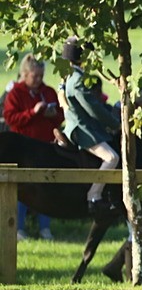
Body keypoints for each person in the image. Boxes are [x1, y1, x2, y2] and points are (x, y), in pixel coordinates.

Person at [3, 54, 65, 238]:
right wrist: (33, 112)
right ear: (25, 74)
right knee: (22, 190)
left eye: (41, 75)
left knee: (46, 188)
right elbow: (10, 118)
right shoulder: (15, 93)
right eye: (34, 76)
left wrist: (52, 114)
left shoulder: (48, 91)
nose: (38, 79)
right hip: (23, 150)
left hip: (46, 148)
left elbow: (61, 116)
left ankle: (45, 228)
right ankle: (19, 228)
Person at [61, 39, 121, 215]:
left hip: (80, 125)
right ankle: (94, 195)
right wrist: (114, 123)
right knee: (112, 158)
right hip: (82, 129)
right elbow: (93, 109)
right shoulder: (78, 81)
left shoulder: (69, 77)